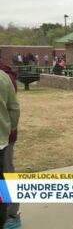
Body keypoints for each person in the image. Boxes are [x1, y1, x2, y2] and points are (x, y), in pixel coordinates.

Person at [0, 60, 21, 229]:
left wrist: (8, 129)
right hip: (6, 133)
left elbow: (13, 107)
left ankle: (12, 213)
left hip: (5, 137)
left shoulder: (5, 76)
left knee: (6, 174)